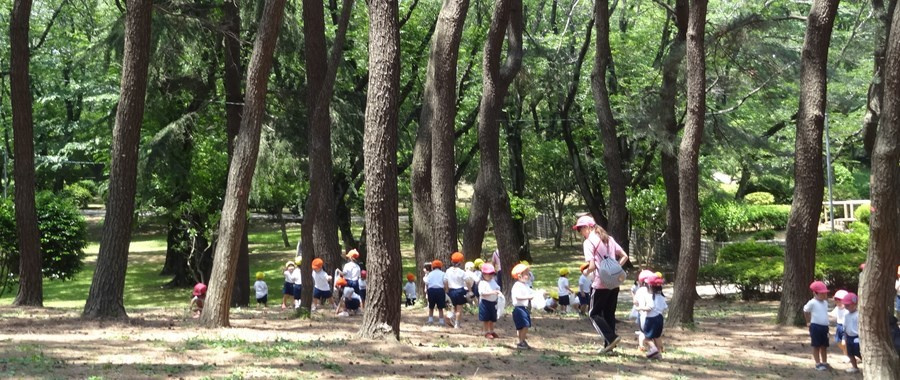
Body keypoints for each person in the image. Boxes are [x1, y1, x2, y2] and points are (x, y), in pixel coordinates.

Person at [574, 215, 629, 354]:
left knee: (593, 313)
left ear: (588, 227)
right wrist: (615, 268)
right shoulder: (609, 239)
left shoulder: (588, 242)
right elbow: (624, 256)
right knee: (609, 314)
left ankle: (611, 338)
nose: (580, 233)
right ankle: (609, 347)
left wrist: (585, 272)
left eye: (580, 229)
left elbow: (592, 266)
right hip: (614, 282)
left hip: (600, 282)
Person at [636, 274, 667, 359]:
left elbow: (649, 307)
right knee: (656, 336)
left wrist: (640, 308)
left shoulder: (650, 297)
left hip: (651, 319)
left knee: (647, 337)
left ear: (650, 286)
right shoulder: (662, 297)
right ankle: (658, 354)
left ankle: (653, 349)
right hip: (660, 318)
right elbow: (664, 307)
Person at [804, 280, 831, 371]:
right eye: (822, 293)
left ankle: (824, 361)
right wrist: (808, 321)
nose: (824, 295)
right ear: (815, 293)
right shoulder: (812, 302)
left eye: (825, 293)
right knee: (816, 345)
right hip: (816, 326)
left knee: (824, 345)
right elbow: (806, 310)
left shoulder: (825, 303)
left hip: (824, 327)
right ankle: (818, 363)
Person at [511, 263, 535, 350]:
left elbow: (531, 292)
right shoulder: (517, 285)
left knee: (524, 325)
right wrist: (528, 297)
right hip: (519, 308)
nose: (528, 276)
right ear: (519, 276)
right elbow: (518, 297)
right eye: (526, 274)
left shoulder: (525, 285)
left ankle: (522, 340)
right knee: (525, 325)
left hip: (524, 308)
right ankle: (521, 341)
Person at [478, 263, 501, 339]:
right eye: (488, 274)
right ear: (483, 274)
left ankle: (492, 331)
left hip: (493, 302)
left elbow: (497, 287)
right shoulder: (482, 283)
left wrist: (498, 290)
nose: (490, 276)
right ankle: (486, 332)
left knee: (492, 318)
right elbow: (482, 293)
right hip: (485, 302)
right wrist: (492, 292)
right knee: (486, 319)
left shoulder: (493, 281)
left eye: (492, 274)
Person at [445, 252, 468, 328]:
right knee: (459, 309)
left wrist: (447, 290)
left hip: (451, 291)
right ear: (461, 262)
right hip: (460, 291)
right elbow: (467, 281)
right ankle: (457, 324)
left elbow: (445, 281)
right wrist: (470, 290)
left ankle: (450, 315)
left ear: (452, 261)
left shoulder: (448, 271)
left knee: (453, 307)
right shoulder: (462, 272)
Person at [841, 292, 860, 374]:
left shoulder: (858, 315)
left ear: (855, 304)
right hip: (849, 336)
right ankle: (854, 367)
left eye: (848, 305)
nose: (846, 307)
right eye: (845, 305)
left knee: (858, 352)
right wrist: (844, 337)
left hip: (857, 337)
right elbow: (844, 327)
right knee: (850, 353)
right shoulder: (846, 315)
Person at [426, 260, 447, 326]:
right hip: (440, 290)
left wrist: (427, 290)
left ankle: (430, 320)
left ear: (432, 267)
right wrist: (446, 290)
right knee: (440, 307)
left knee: (431, 306)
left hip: (431, 290)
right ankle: (441, 321)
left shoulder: (430, 274)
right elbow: (445, 281)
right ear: (440, 267)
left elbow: (427, 282)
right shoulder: (443, 273)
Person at [830, 289, 849, 360]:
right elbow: (832, 315)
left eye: (840, 301)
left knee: (844, 342)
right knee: (838, 341)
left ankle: (847, 355)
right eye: (836, 301)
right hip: (839, 326)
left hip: (845, 327)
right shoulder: (837, 309)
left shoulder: (847, 310)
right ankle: (846, 353)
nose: (838, 303)